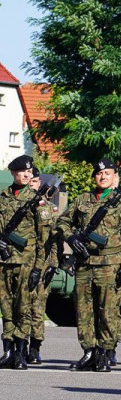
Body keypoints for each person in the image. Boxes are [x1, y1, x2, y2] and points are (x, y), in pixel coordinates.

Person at [57, 159, 121, 372]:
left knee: (108, 310)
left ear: (115, 177)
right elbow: (63, 222)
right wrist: (72, 238)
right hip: (85, 263)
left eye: (108, 174)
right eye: (99, 174)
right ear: (95, 176)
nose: (103, 177)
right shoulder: (83, 199)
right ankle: (89, 351)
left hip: (109, 264)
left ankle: (105, 351)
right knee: (83, 309)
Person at [0, 155, 48, 370]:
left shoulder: (36, 199)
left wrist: (39, 266)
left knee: (23, 307)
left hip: (26, 261)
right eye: (22, 171)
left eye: (29, 171)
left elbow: (43, 237)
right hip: (4, 260)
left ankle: (20, 351)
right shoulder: (2, 198)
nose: (27, 174)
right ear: (13, 173)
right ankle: (7, 350)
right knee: (6, 307)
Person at [24, 165, 59, 365]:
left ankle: (35, 347)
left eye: (35, 182)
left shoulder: (47, 208)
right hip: (23, 262)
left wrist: (53, 262)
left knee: (37, 306)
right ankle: (19, 344)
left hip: (43, 263)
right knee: (21, 305)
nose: (33, 185)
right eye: (30, 182)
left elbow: (54, 240)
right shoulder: (22, 205)